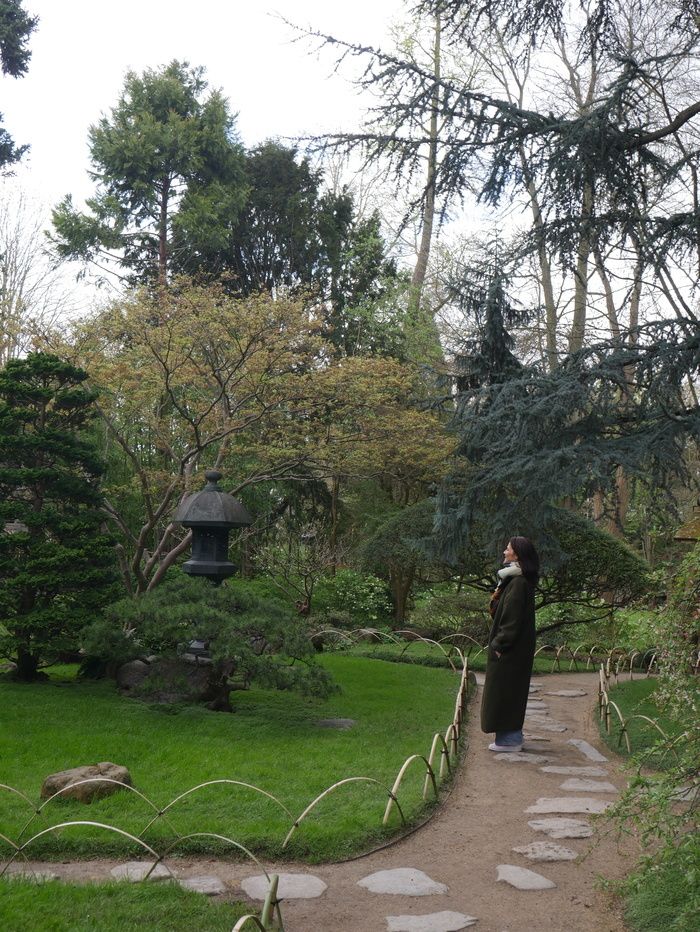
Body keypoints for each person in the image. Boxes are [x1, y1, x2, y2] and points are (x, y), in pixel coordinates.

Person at [480, 536, 540, 753]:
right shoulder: (514, 581)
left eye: (508, 549)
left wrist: (499, 645)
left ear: (517, 555)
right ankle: (510, 738)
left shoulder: (518, 583)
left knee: (505, 692)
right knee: (508, 692)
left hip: (509, 651)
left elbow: (511, 620)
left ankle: (509, 740)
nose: (504, 552)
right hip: (513, 650)